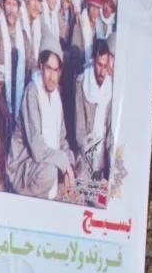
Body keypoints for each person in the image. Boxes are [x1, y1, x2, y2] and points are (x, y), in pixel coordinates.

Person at [7, 42, 76, 200]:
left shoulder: (56, 96)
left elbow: (62, 139)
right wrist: (63, 162)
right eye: (48, 69)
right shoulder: (32, 92)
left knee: (72, 162)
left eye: (56, 70)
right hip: (24, 165)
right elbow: (37, 149)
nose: (52, 77)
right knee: (50, 172)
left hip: (43, 162)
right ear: (41, 66)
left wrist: (69, 164)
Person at [0, 0, 29, 187]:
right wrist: (0, 98)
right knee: (1, 133)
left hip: (18, 96)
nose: (11, 9)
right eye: (8, 4)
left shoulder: (22, 36)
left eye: (14, 5)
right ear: (2, 5)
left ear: (19, 8)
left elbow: (32, 66)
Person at [74, 38, 115, 185]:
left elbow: (110, 133)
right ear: (92, 61)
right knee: (84, 183)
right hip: (85, 152)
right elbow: (79, 132)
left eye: (105, 66)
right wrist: (91, 162)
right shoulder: (82, 84)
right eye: (99, 65)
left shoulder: (111, 87)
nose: (102, 71)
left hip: (103, 152)